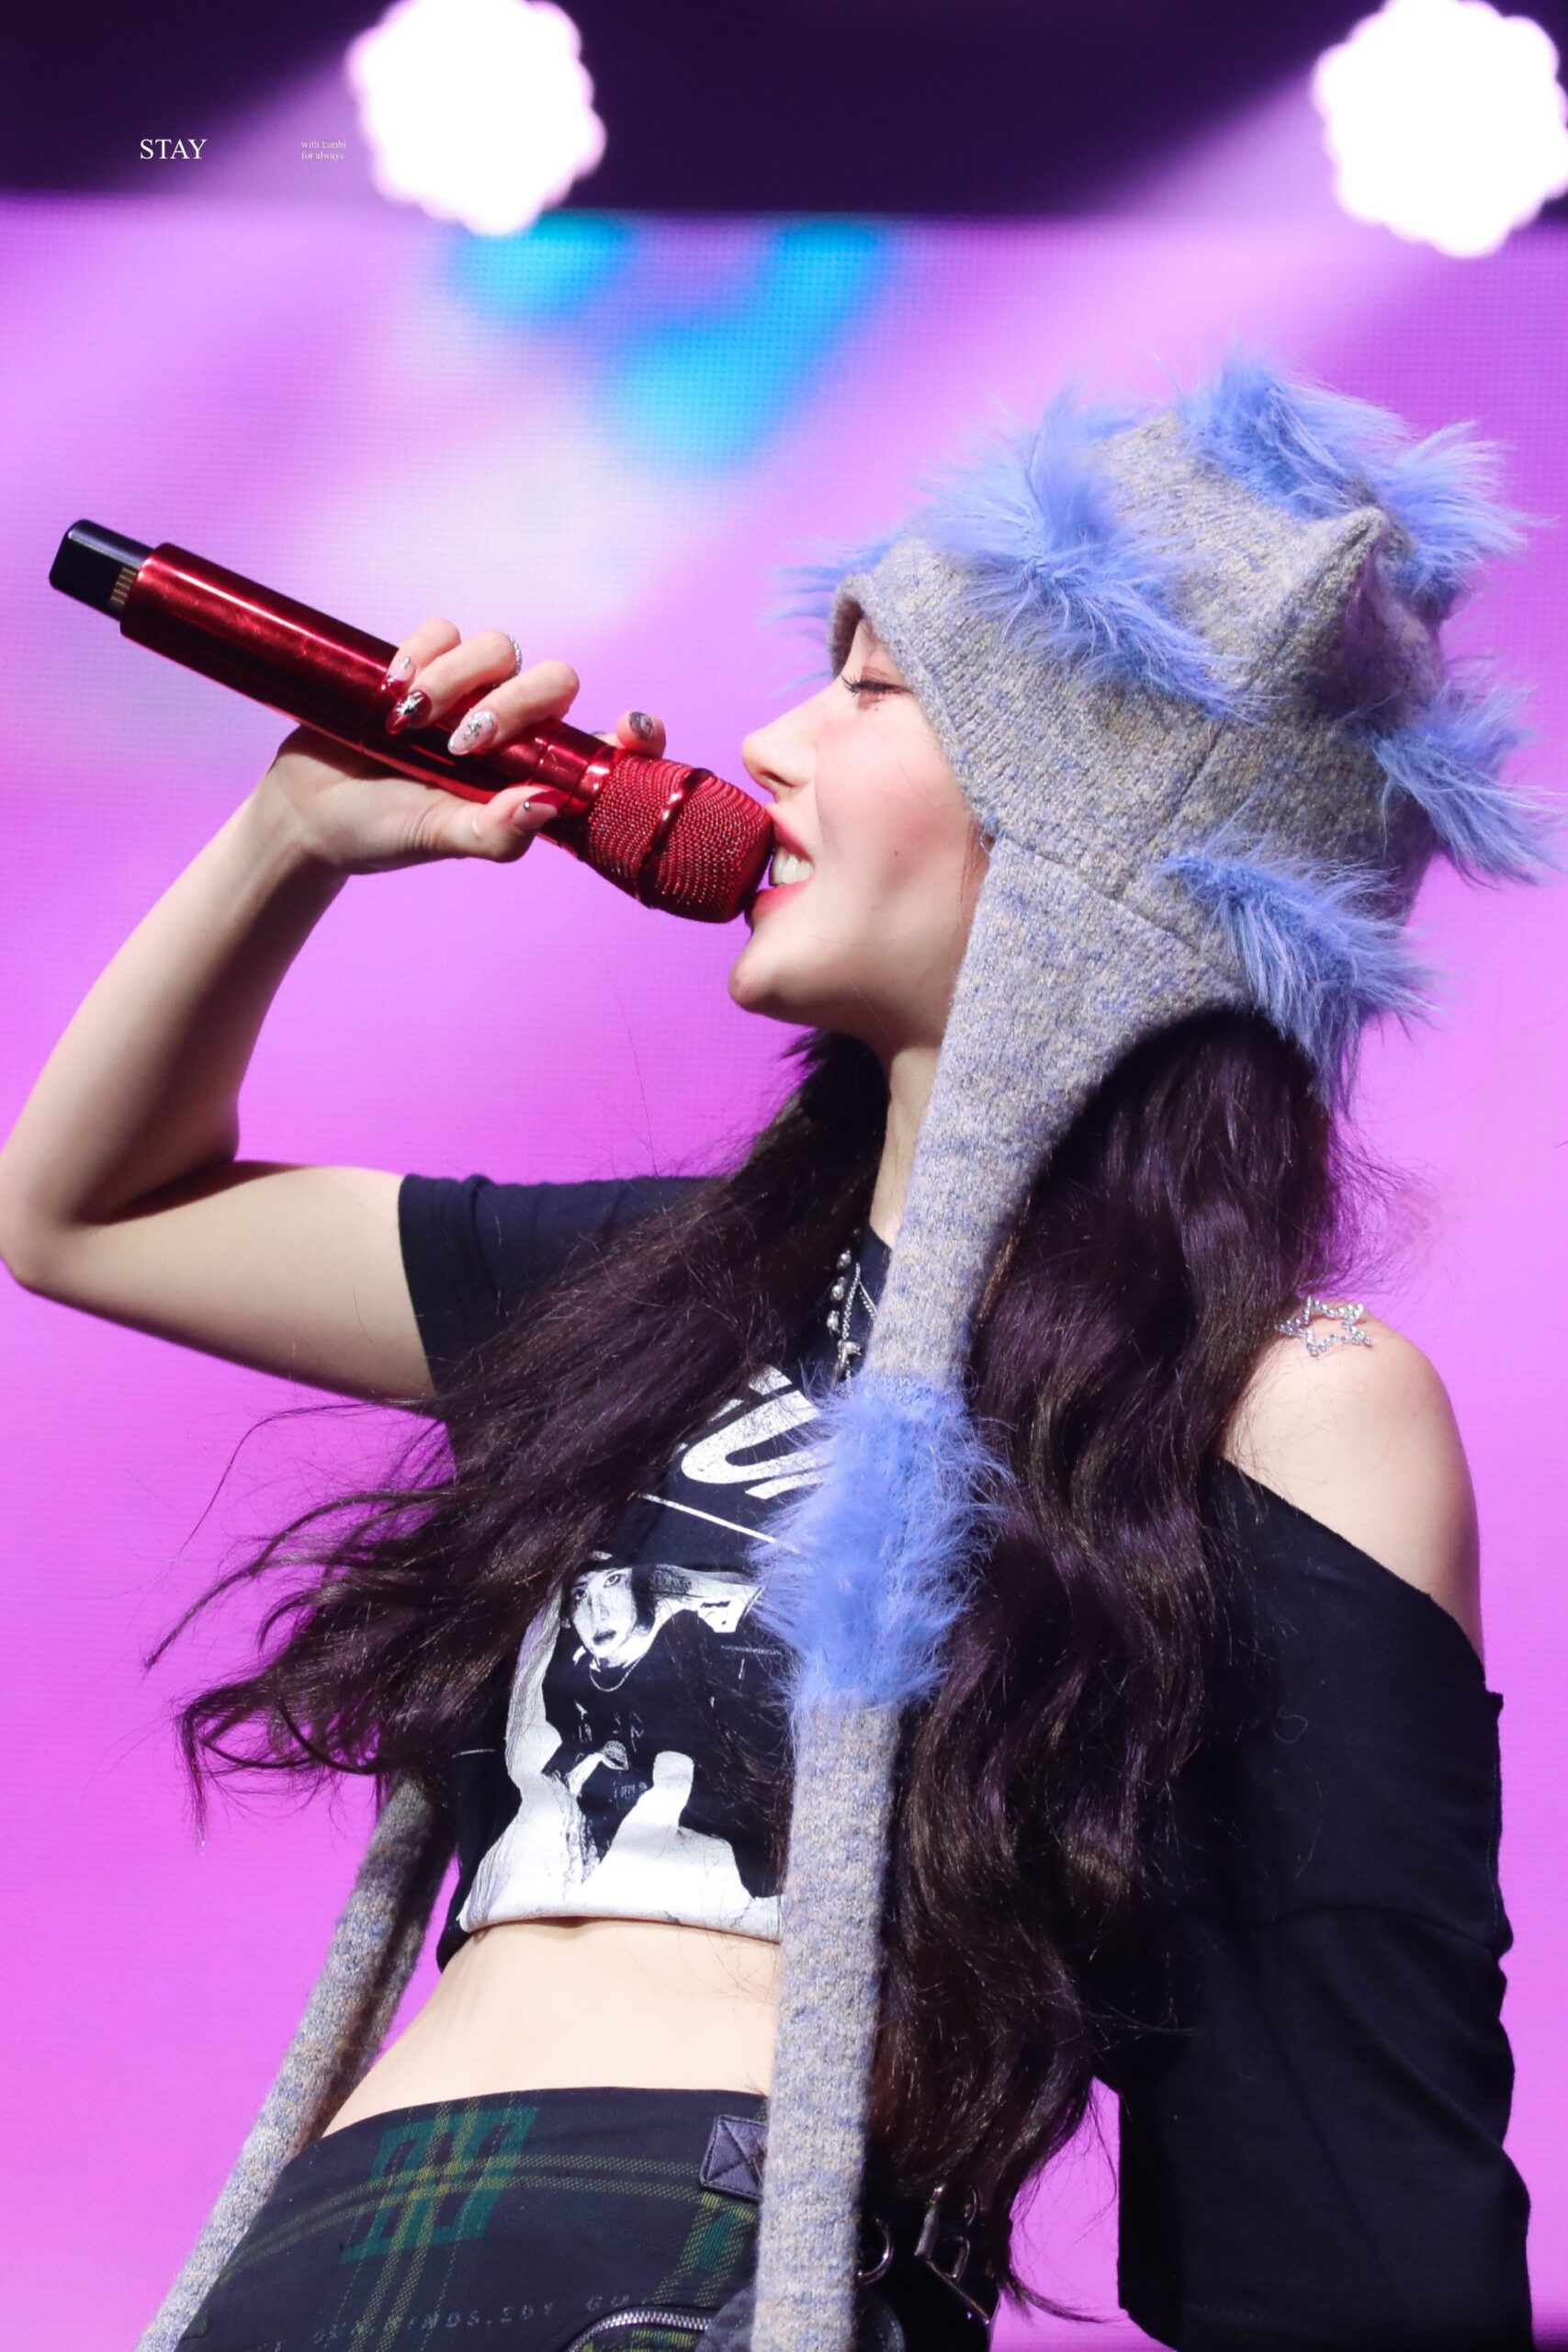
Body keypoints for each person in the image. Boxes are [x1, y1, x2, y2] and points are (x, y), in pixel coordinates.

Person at [0, 352, 1552, 2352]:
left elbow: (1355, 2114)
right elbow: (89, 1211)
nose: (766, 743)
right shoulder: (665, 1292)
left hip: (715, 2274)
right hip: (339, 2252)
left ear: (1083, 830)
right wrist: (290, 834)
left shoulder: (1267, 1396)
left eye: (875, 691)